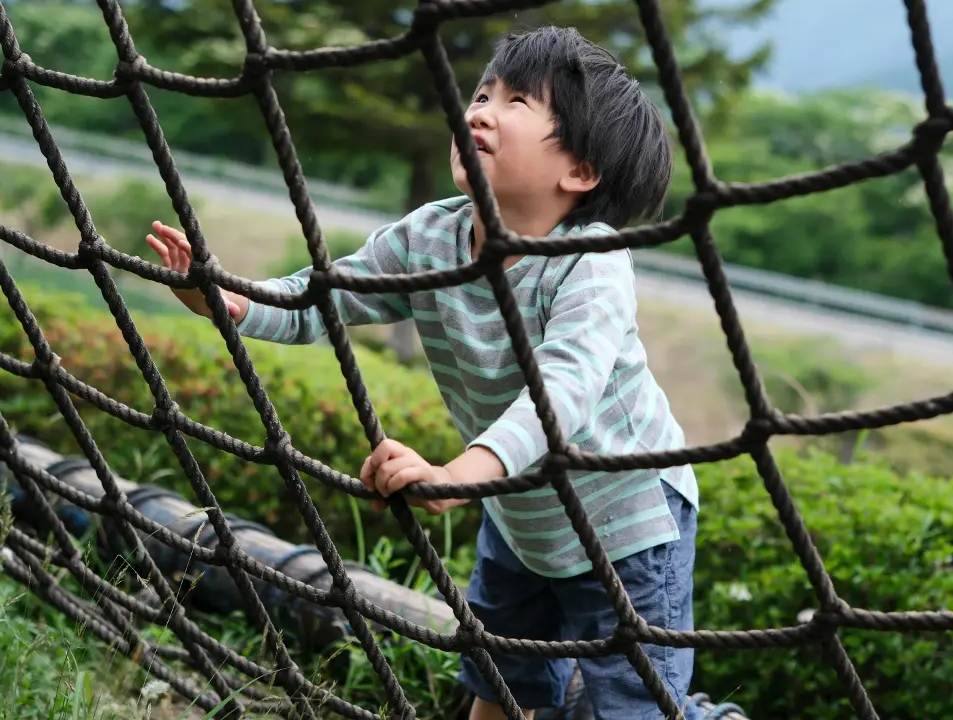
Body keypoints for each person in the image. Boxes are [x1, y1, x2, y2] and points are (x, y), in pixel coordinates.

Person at [145, 25, 704, 720]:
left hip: (627, 525)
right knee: (498, 679)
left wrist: (461, 474)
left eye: (518, 102)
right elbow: (320, 300)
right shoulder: (431, 238)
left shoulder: (590, 262)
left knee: (632, 706)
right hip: (522, 519)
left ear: (580, 171)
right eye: (481, 93)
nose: (478, 110)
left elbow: (564, 391)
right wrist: (224, 301)